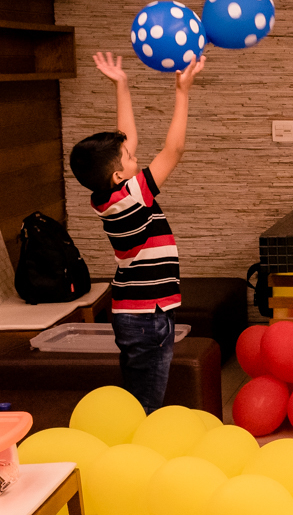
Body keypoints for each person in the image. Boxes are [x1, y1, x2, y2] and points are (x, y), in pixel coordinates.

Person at [68, 51, 206, 415]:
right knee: (145, 405)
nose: (135, 157)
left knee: (137, 396)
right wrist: (182, 92)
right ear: (120, 176)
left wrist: (123, 85)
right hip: (147, 318)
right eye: (129, 158)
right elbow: (173, 150)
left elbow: (124, 140)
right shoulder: (130, 197)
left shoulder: (110, 195)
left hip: (137, 312)